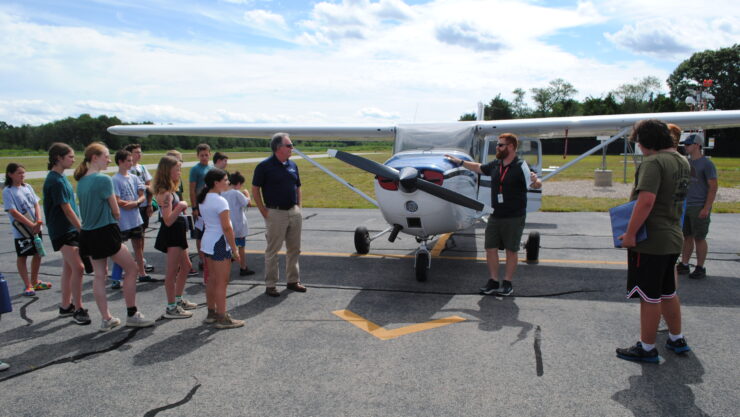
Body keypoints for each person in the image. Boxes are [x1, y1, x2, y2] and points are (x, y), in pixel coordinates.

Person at [616, 119, 691, 363]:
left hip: (652, 240)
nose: (638, 146)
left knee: (649, 296)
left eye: (638, 141)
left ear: (647, 140)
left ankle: (647, 348)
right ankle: (676, 337)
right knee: (668, 291)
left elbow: (645, 201)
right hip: (672, 235)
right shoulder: (681, 160)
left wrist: (629, 234)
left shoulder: (653, 162)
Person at [445, 133, 541, 296]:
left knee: (511, 250)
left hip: (514, 216)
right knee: (490, 248)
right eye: (497, 145)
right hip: (495, 214)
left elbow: (535, 184)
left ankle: (507, 283)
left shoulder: (521, 166)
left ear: (511, 147)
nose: (497, 147)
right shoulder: (496, 164)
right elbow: (479, 168)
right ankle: (493, 281)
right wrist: (460, 162)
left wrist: (535, 180)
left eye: (501, 145)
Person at [74, 142, 155, 331]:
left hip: (88, 233)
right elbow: (116, 211)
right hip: (105, 231)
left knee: (99, 276)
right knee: (132, 269)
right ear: (94, 158)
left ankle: (106, 318)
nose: (109, 160)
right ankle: (132, 313)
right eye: (106, 156)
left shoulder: (82, 180)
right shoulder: (103, 180)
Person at [252, 133, 306, 297]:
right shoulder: (264, 166)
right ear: (278, 148)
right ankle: (271, 284)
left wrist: (299, 207)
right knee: (273, 250)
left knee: (294, 249)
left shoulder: (293, 165)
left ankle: (292, 281)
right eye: (289, 145)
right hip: (275, 212)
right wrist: (263, 210)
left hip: (293, 211)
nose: (292, 148)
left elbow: (297, 187)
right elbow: (255, 189)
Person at [43, 143, 90, 325]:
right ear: (58, 158)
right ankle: (78, 308)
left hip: (69, 229)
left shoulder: (61, 178)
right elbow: (66, 208)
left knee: (69, 267)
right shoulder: (54, 180)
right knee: (78, 267)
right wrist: (81, 229)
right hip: (62, 230)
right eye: (70, 156)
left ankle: (65, 306)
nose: (73, 159)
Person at [198, 168, 245, 329]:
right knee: (221, 282)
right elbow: (226, 228)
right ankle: (222, 317)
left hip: (208, 242)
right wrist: (235, 249)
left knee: (211, 279)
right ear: (216, 183)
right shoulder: (220, 201)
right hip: (219, 242)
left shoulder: (204, 198)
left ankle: (212, 312)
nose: (227, 182)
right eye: (225, 180)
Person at [152, 155, 197, 319]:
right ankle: (171, 307)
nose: (179, 172)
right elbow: (168, 220)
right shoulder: (165, 193)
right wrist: (181, 206)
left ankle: (178, 299)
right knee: (171, 272)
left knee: (186, 266)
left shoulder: (171, 190)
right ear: (167, 171)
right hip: (171, 234)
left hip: (178, 232)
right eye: (176, 169)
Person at [3, 163, 51, 297]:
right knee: (23, 255)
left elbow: (36, 203)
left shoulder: (27, 187)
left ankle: (35, 281)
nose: (22, 175)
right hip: (22, 230)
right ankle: (28, 284)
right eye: (19, 173)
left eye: (23, 173)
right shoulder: (8, 191)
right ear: (10, 174)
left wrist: (38, 220)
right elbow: (13, 211)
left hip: (35, 226)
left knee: (38, 253)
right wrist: (30, 224)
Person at [677, 134, 717, 280]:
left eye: (688, 144)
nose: (685, 146)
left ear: (697, 145)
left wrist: (706, 208)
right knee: (686, 236)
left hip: (699, 205)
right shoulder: (686, 162)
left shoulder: (707, 164)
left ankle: (700, 267)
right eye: (685, 144)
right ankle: (685, 263)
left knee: (699, 238)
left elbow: (713, 187)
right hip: (686, 205)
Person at [110, 149, 148, 289]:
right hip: (123, 221)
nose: (131, 163)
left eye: (131, 161)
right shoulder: (115, 179)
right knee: (120, 249)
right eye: (128, 160)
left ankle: (142, 273)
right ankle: (116, 277)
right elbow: (117, 200)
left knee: (138, 246)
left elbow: (142, 194)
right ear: (120, 162)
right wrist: (131, 204)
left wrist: (137, 202)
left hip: (136, 219)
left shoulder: (134, 177)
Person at [125, 144, 155, 279]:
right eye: (136, 152)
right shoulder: (127, 170)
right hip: (132, 207)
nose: (139, 154)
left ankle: (140, 260)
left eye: (140, 152)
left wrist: (149, 203)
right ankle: (136, 262)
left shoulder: (142, 168)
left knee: (142, 235)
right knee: (135, 236)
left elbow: (150, 186)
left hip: (143, 205)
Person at [222, 171, 255, 276]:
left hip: (227, 224)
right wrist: (247, 194)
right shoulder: (236, 193)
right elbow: (247, 203)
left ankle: (225, 268)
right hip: (238, 224)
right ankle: (243, 267)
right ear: (238, 184)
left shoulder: (222, 193)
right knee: (241, 247)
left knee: (228, 246)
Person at [189, 143, 212, 271]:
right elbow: (192, 190)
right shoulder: (195, 169)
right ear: (198, 156)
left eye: (206, 155)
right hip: (200, 205)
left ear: (210, 154)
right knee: (200, 233)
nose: (204, 157)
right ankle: (201, 258)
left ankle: (209, 256)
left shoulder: (211, 168)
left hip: (210, 205)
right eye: (202, 155)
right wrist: (194, 207)